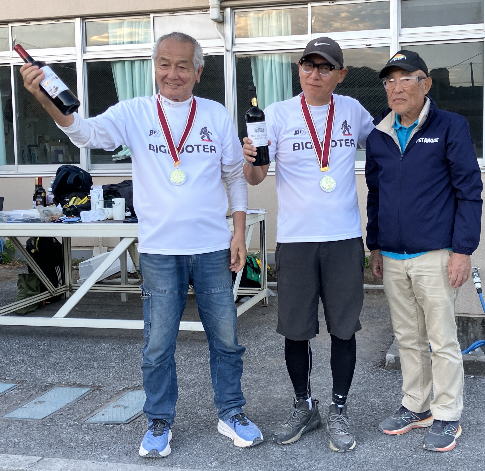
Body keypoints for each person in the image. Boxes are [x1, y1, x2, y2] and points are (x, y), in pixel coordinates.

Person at [20, 32, 263, 457]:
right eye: (164, 64)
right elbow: (85, 133)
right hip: (160, 251)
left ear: (198, 72)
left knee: (226, 340)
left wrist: (239, 233)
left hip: (211, 247)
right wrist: (45, 97)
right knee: (158, 345)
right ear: (154, 67)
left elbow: (233, 176)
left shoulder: (215, 114)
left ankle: (231, 412)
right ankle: (159, 420)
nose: (173, 73)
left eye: (183, 65)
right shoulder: (135, 112)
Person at [243, 37, 374, 452]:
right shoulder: (277, 114)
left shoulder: (353, 111)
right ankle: (304, 405)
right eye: (308, 65)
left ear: (340, 74)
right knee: (295, 331)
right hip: (297, 240)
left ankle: (339, 409)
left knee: (344, 330)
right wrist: (250, 158)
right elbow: (256, 177)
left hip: (343, 239)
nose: (315, 74)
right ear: (299, 69)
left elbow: (386, 146)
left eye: (325, 67)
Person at [366, 50, 483, 452]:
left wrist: (463, 250)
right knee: (407, 337)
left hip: (436, 254)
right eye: (389, 81)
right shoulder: (379, 135)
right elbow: (376, 195)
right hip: (393, 256)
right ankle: (416, 405)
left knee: (441, 339)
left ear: (425, 83)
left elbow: (469, 191)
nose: (395, 88)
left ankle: (447, 413)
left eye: (405, 79)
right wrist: (375, 245)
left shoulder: (449, 126)